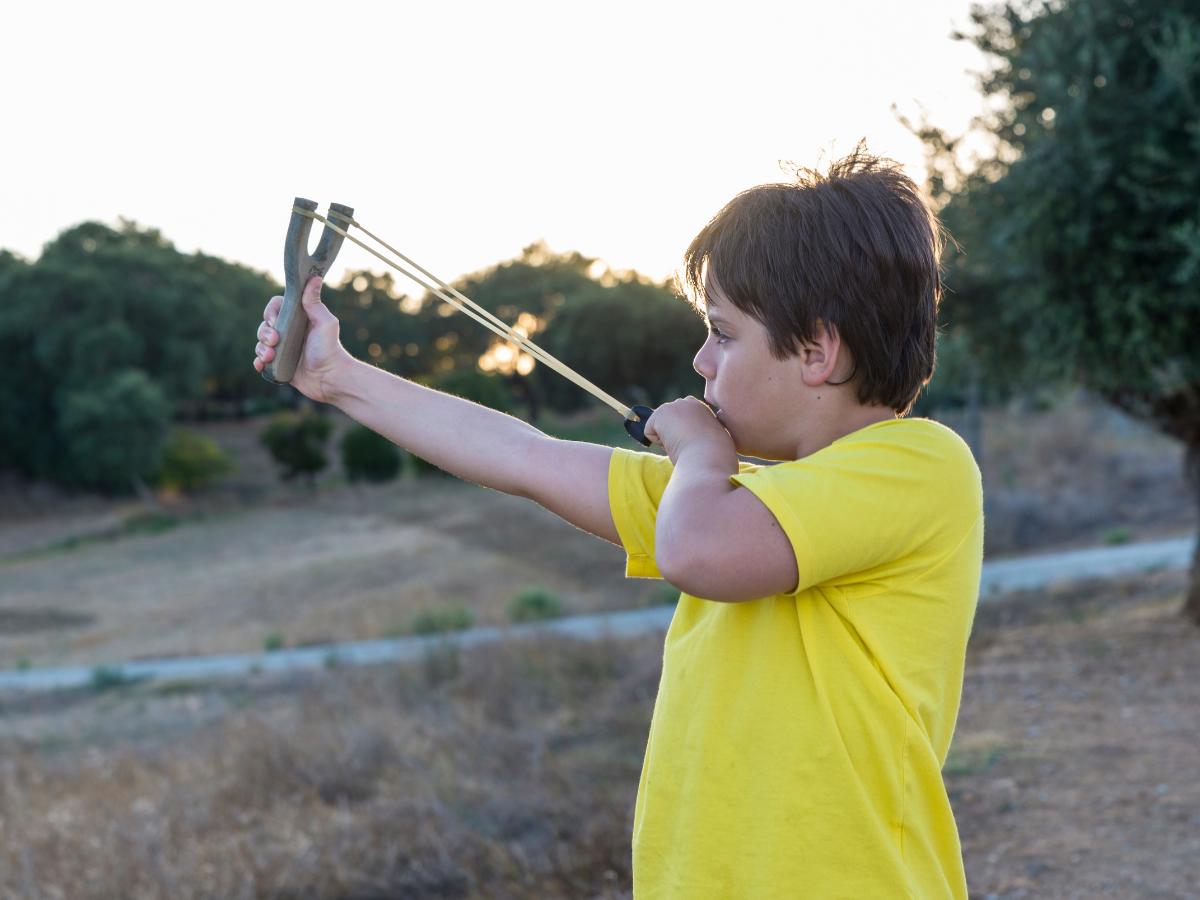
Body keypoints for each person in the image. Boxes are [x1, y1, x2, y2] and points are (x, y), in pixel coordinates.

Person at [252, 145, 983, 898]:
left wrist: (700, 449)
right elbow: (526, 456)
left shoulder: (920, 467)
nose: (701, 361)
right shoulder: (738, 496)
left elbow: (698, 551)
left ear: (817, 350)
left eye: (723, 333)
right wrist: (338, 378)